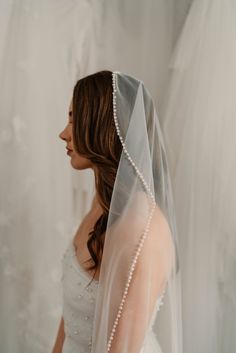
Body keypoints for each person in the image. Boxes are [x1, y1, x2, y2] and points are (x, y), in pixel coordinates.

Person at [53, 70, 182, 353]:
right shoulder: (102, 205)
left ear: (102, 126)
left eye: (74, 119)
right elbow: (71, 318)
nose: (63, 133)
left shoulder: (143, 232)